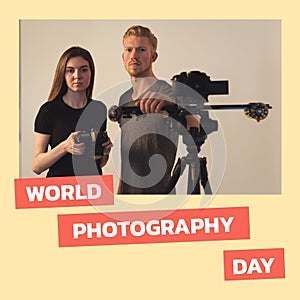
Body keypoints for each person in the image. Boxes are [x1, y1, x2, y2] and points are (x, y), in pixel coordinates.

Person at [32, 46, 113, 177]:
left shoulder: (98, 109)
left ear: (91, 73)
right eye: (70, 70)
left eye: (84, 70)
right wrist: (64, 147)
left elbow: (99, 163)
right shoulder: (49, 110)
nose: (77, 76)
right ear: (62, 74)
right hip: (60, 189)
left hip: (92, 186)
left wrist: (105, 152)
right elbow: (36, 166)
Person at [117, 25, 179, 194]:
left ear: (154, 56)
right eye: (129, 50)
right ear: (123, 56)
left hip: (162, 196)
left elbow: (197, 126)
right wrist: (119, 195)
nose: (134, 56)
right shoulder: (124, 100)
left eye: (141, 50)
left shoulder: (168, 93)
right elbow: (126, 154)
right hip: (129, 197)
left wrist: (171, 103)